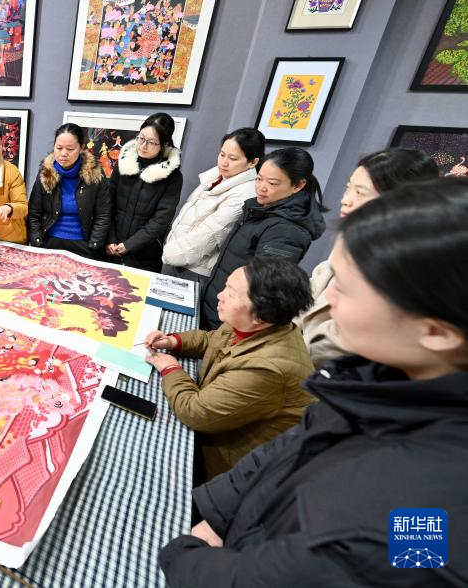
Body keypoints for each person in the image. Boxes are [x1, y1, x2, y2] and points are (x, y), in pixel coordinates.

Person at [158, 178, 468, 587]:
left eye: (347, 286)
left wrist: (182, 554)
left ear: (436, 331)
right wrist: (215, 515)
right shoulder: (373, 382)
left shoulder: (432, 508)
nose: (326, 299)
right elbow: (285, 452)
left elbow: (300, 572)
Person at [145, 256, 315, 480]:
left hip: (226, 465)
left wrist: (171, 369)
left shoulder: (268, 369)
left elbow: (195, 412)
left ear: (261, 315)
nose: (220, 295)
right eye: (226, 287)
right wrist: (174, 341)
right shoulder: (257, 324)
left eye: (231, 294)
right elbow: (214, 339)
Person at [296, 148, 439, 368]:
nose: (346, 200)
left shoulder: (406, 262)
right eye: (348, 188)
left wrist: (290, 352)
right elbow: (312, 289)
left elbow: (346, 341)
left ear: (399, 201)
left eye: (360, 193)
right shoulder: (351, 236)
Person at [200, 147, 326, 330]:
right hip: (217, 309)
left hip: (228, 324)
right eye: (259, 179)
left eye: (272, 183)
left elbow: (260, 288)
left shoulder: (287, 231)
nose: (261, 187)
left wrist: (226, 329)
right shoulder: (262, 210)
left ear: (297, 186)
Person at [162, 128, 265, 284]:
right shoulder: (216, 177)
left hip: (196, 268)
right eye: (222, 154)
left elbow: (209, 233)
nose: (224, 162)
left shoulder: (244, 194)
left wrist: (170, 253)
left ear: (253, 162)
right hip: (179, 258)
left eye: (233, 158)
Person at [106, 113, 183, 272]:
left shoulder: (172, 177)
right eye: (141, 138)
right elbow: (107, 204)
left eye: (152, 142)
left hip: (144, 256)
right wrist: (110, 239)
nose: (143, 146)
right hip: (110, 249)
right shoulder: (124, 163)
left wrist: (129, 245)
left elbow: (161, 220)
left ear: (164, 143)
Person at [27, 123, 110, 258]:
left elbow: (103, 215)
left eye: (70, 149)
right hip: (49, 242)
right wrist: (37, 243)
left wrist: (94, 246)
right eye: (59, 148)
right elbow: (34, 213)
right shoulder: (45, 173)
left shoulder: (95, 174)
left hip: (84, 244)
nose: (63, 154)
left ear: (81, 148)